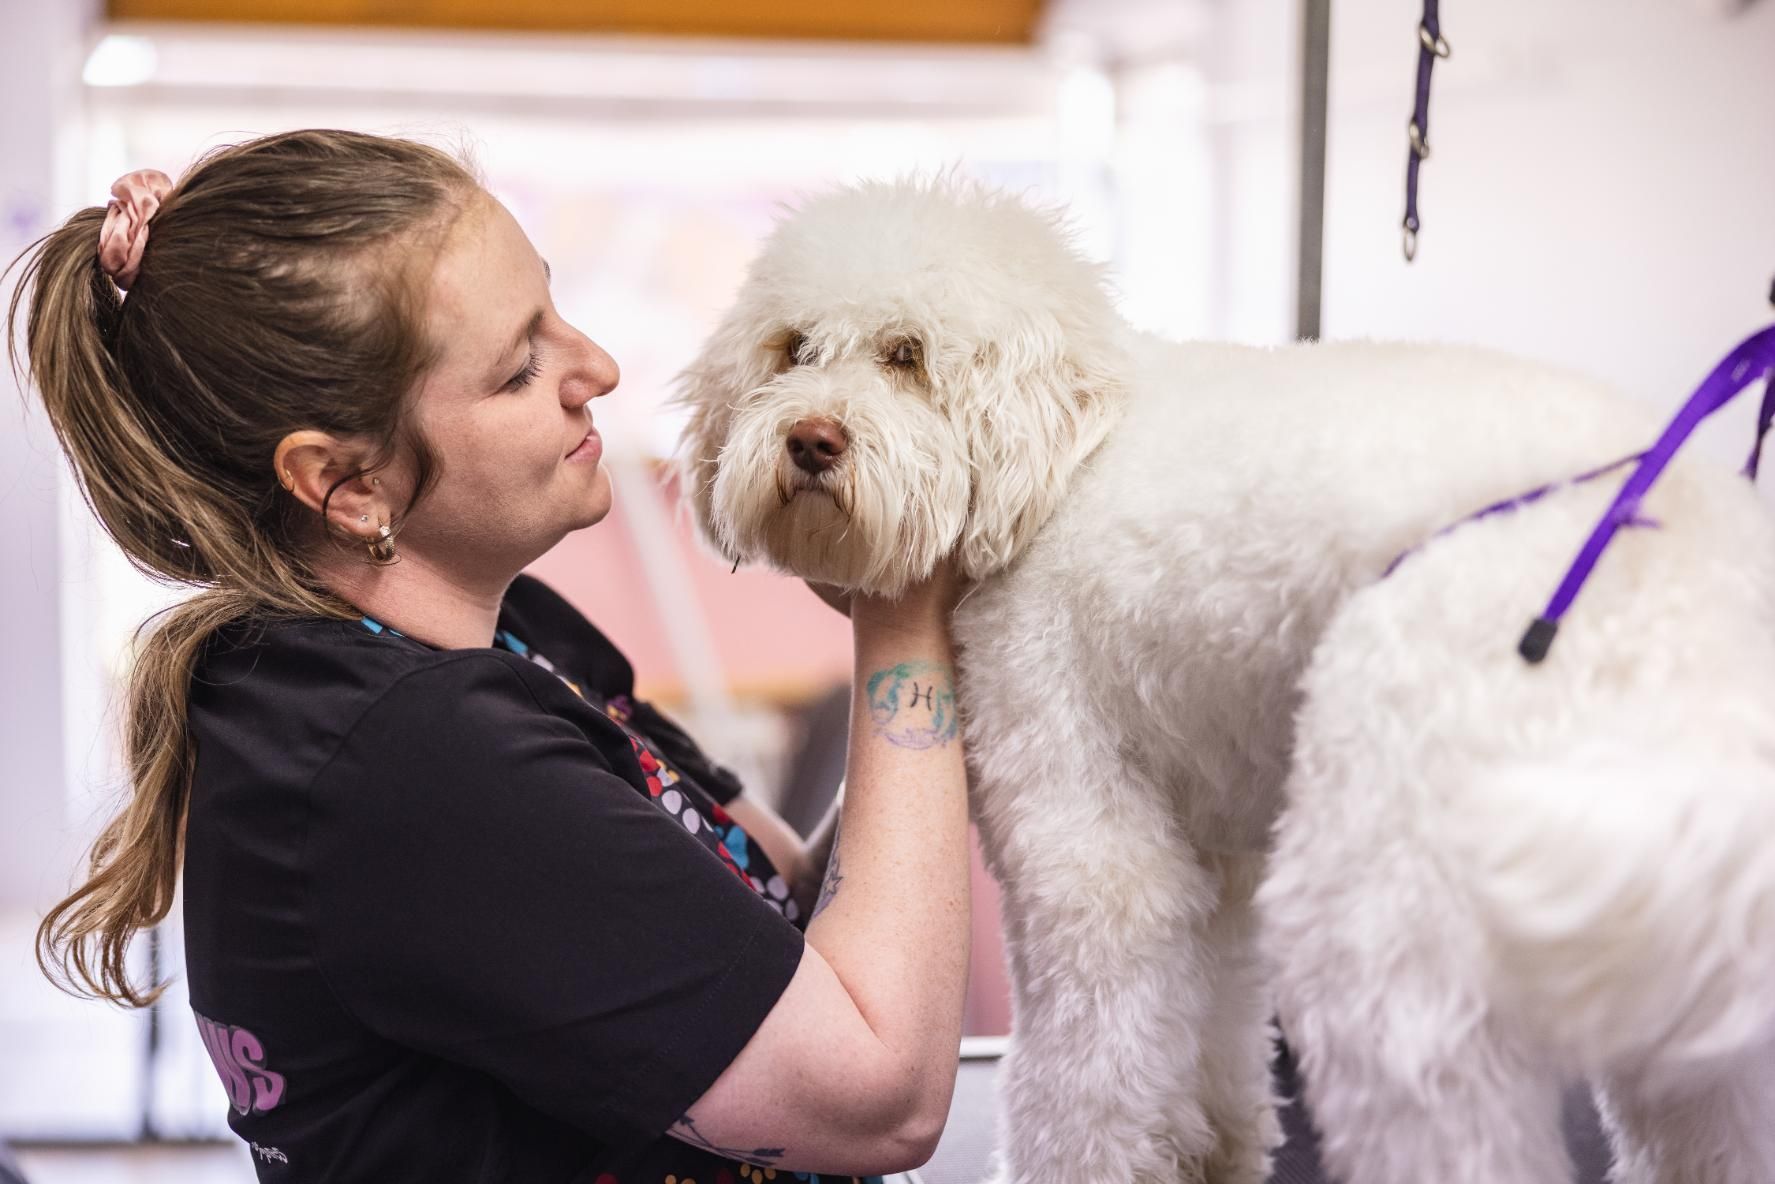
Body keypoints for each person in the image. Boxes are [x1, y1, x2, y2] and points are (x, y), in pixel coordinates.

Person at [10, 129, 970, 1184]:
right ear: (347, 482)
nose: (595, 367)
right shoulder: (412, 761)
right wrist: (902, 616)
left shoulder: (495, 645)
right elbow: (877, 1098)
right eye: (521, 367)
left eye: (555, 310)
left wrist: (941, 632)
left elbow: (789, 915)